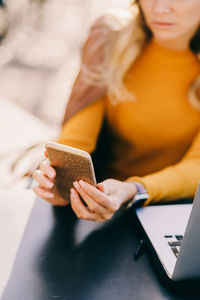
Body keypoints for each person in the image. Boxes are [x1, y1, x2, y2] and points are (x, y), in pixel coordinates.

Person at [33, 0, 200, 222]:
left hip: (167, 212)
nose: (160, 8)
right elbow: (77, 139)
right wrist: (59, 180)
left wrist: (134, 189)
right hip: (94, 196)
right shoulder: (109, 35)